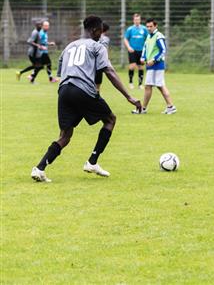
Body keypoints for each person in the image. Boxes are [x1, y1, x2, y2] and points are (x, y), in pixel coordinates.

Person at [30, 15, 141, 183]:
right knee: (110, 119)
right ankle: (92, 162)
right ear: (95, 30)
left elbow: (61, 73)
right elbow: (109, 72)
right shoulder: (97, 46)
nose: (101, 35)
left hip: (64, 91)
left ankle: (39, 168)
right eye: (101, 32)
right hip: (83, 90)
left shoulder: (69, 46)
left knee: (65, 135)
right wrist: (129, 96)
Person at [132, 18, 176, 115]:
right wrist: (143, 57)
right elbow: (145, 48)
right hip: (150, 66)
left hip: (157, 65)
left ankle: (170, 107)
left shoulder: (159, 36)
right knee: (149, 87)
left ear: (155, 26)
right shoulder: (148, 36)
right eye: (147, 26)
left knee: (157, 86)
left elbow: (163, 50)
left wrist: (155, 59)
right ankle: (144, 109)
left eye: (151, 26)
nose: (148, 28)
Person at [123, 13, 148, 89]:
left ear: (140, 20)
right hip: (132, 50)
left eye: (138, 19)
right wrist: (128, 47)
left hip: (141, 51)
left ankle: (140, 84)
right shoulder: (130, 29)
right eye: (135, 19)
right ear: (133, 20)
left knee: (141, 67)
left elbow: (148, 39)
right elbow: (125, 39)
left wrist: (146, 48)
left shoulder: (144, 29)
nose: (137, 21)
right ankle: (131, 82)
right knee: (132, 66)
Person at [95, 22, 111, 92]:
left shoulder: (93, 37)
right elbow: (105, 49)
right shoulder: (106, 39)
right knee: (98, 81)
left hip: (92, 59)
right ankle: (97, 93)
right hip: (100, 60)